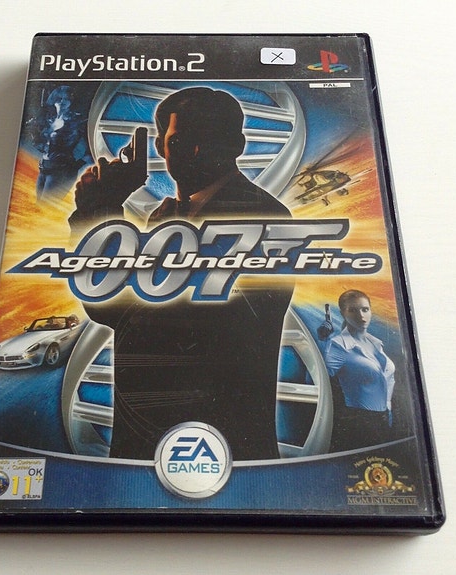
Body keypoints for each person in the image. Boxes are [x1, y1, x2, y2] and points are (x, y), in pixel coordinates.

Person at [69, 87, 293, 460]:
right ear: (160, 146)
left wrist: (106, 217)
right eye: (179, 140)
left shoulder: (262, 216)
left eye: (208, 138)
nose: (195, 150)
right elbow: (105, 305)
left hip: (223, 443)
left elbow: (150, 320)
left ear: (236, 145)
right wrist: (98, 212)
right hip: (145, 438)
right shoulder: (169, 216)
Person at [324, 290, 396, 451]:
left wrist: (388, 406)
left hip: (383, 418)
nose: (361, 315)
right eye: (353, 310)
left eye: (365, 309)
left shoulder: (376, 343)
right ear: (343, 313)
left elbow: (389, 377)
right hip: (357, 420)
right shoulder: (338, 345)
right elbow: (318, 381)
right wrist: (325, 342)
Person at [28, 85, 91, 201]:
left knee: (45, 206)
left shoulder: (77, 120)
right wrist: (34, 133)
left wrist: (79, 163)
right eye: (59, 98)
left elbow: (89, 141)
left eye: (66, 99)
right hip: (44, 168)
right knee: (37, 204)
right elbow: (42, 146)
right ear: (54, 100)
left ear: (71, 101)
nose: (62, 102)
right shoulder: (49, 119)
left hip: (60, 171)